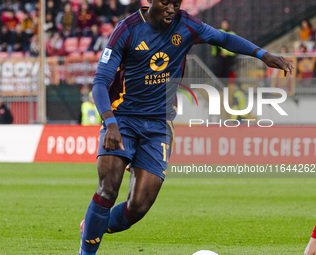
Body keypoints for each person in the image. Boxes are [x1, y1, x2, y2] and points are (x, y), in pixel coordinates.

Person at [79, 0, 295, 254]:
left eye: (177, 3)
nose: (172, 8)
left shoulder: (187, 25)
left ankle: (94, 224)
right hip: (122, 119)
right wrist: (110, 121)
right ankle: (87, 250)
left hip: (159, 125)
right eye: (165, 2)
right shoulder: (127, 29)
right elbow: (100, 82)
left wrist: (263, 54)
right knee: (107, 189)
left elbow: (224, 39)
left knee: (139, 206)